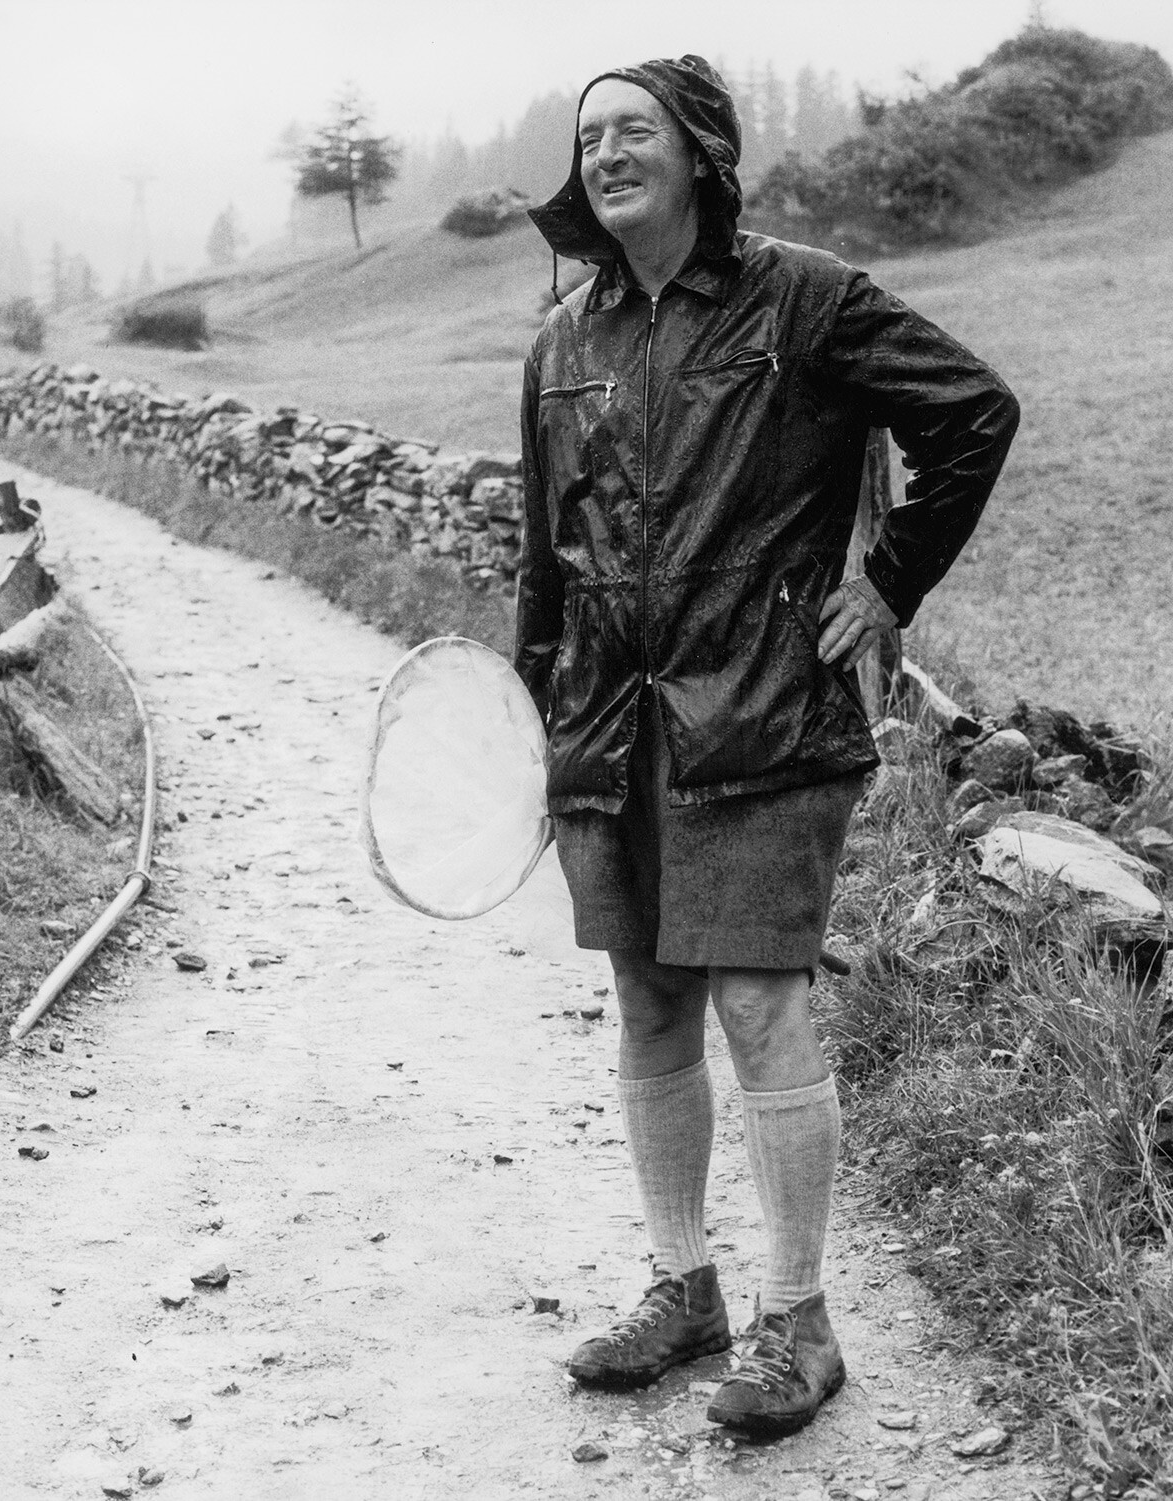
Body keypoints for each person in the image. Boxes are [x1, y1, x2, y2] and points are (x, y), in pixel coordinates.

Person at [515, 54, 1019, 1440]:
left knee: (759, 1001)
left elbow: (972, 413)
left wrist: (891, 577)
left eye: (635, 132)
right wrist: (535, 716)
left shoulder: (805, 299)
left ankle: (801, 1319)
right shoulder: (562, 340)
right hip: (610, 730)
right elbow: (544, 563)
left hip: (767, 710)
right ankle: (687, 1288)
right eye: (590, 136)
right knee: (653, 1006)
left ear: (700, 152)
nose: (607, 153)